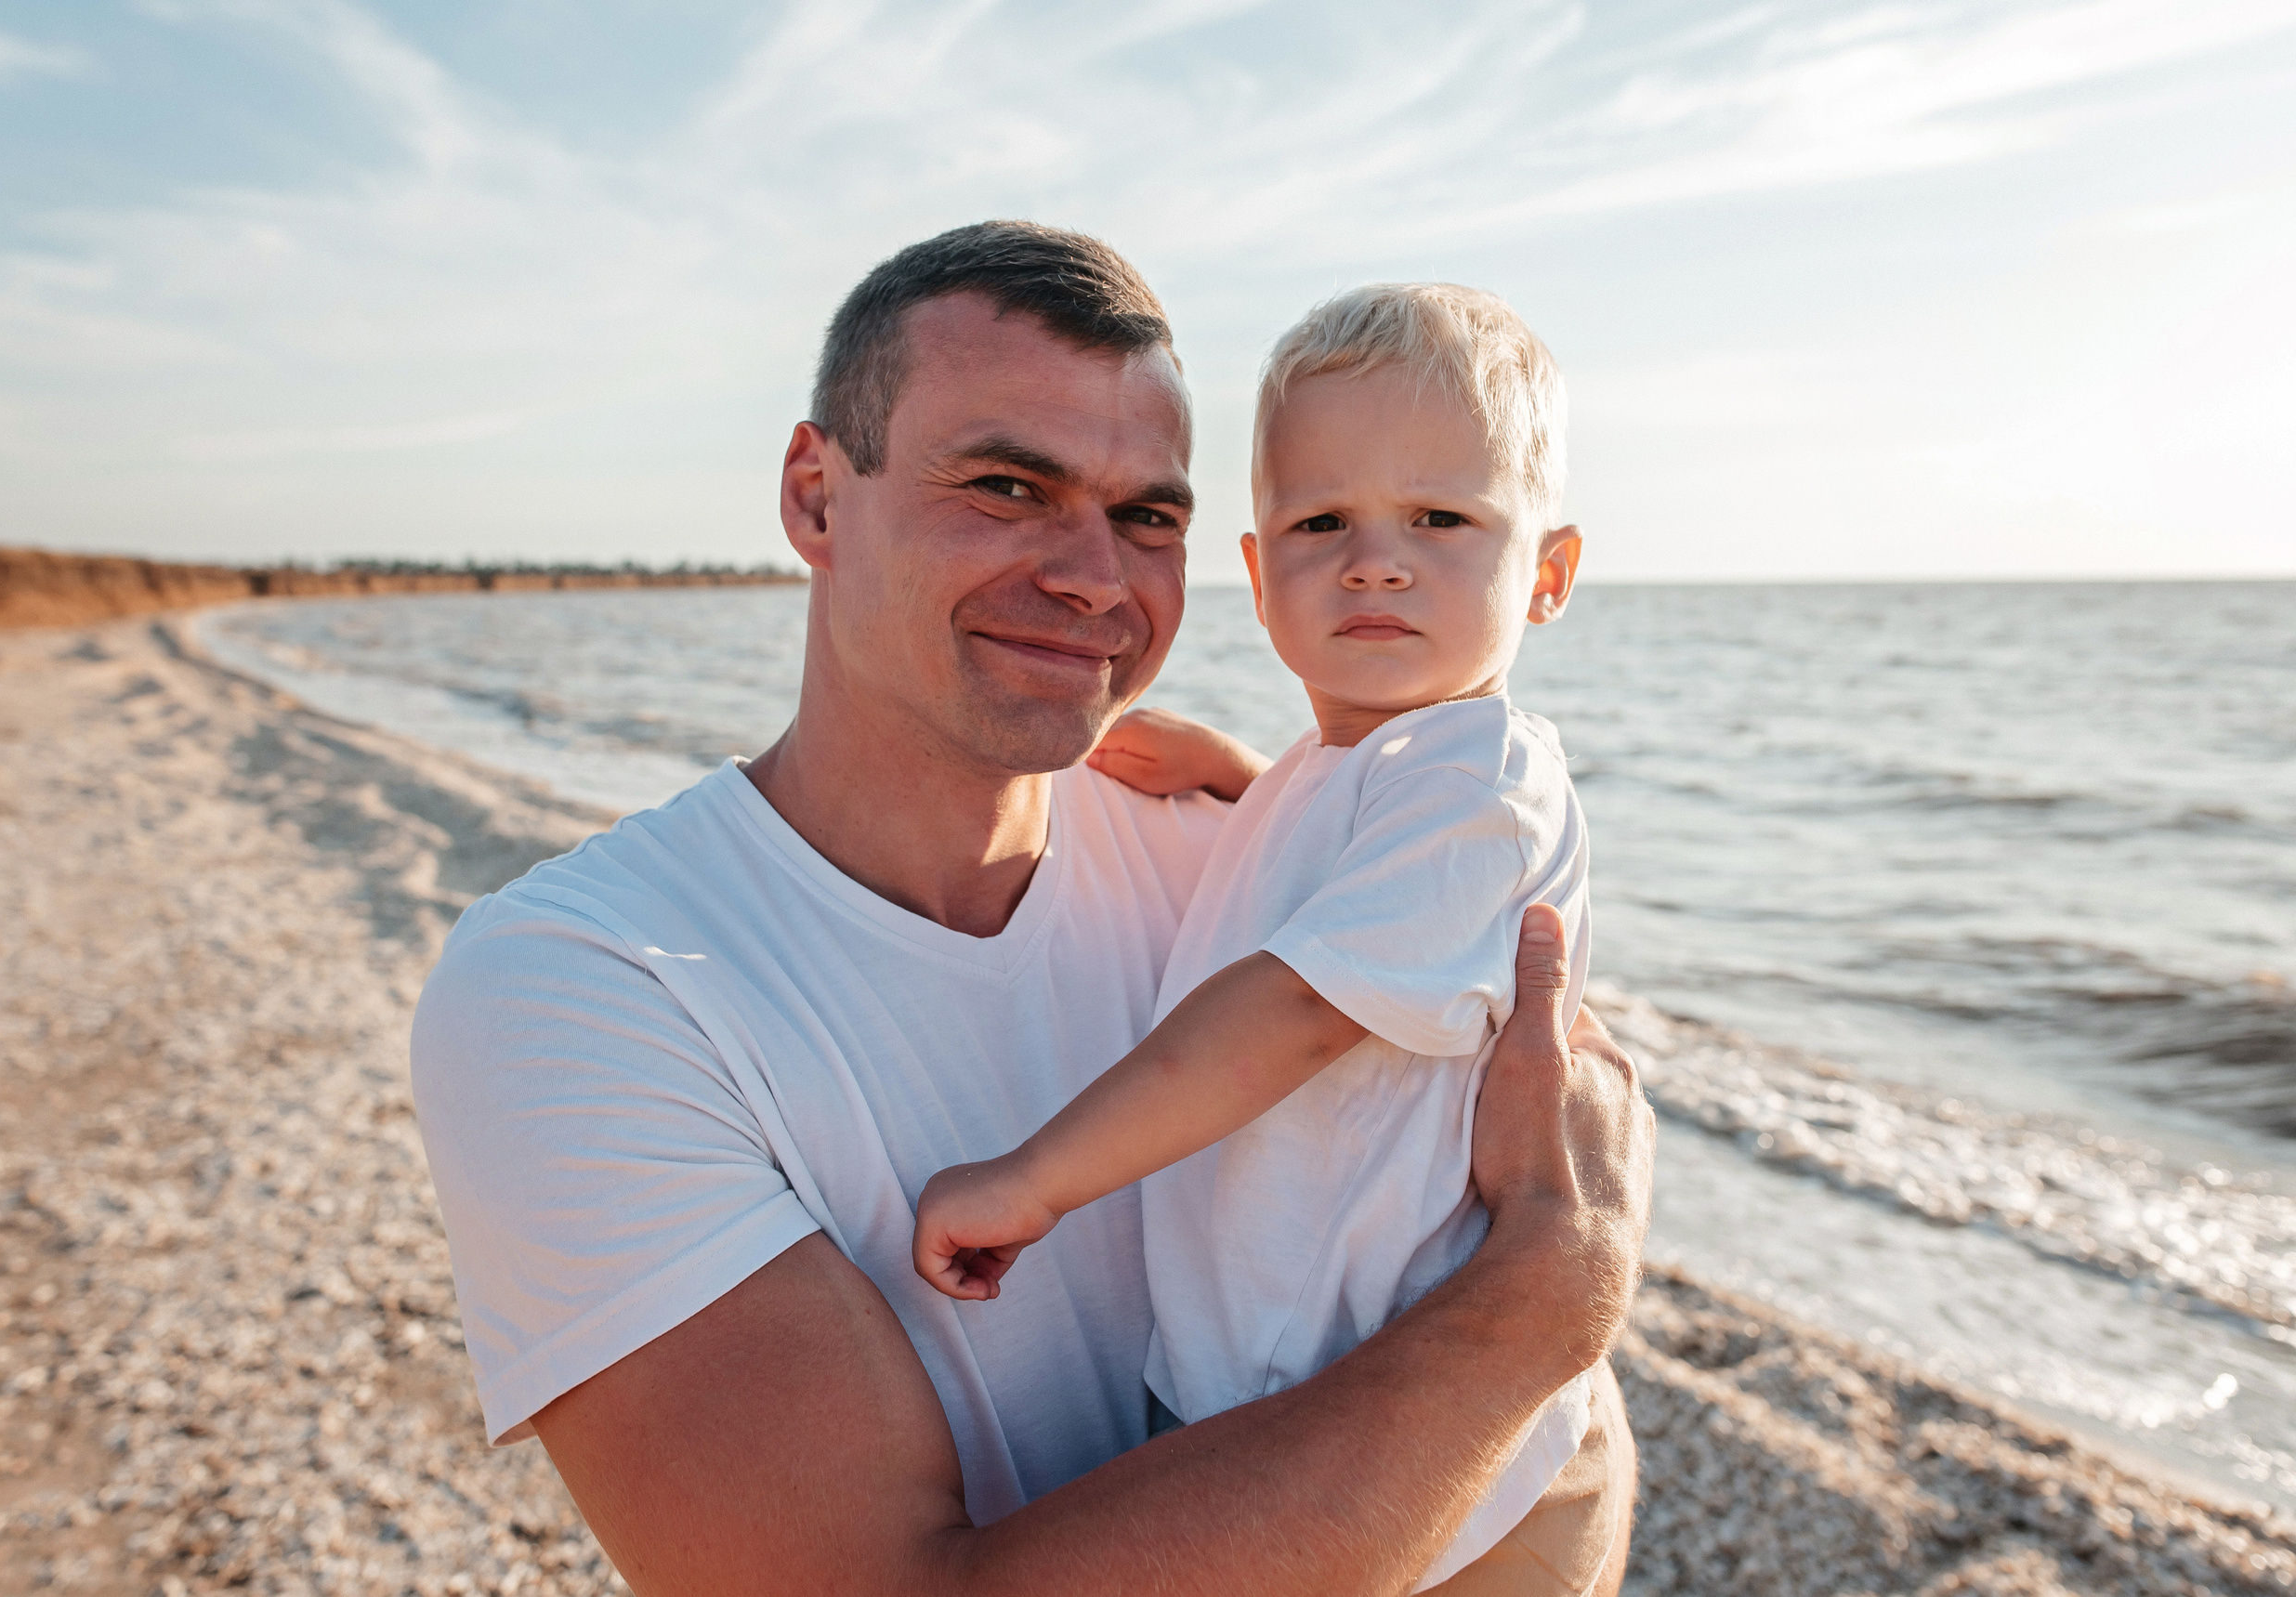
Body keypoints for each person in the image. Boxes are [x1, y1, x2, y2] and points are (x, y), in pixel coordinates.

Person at [411, 220, 1654, 1595]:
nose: (1094, 576)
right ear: (818, 497)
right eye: (1007, 486)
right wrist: (1551, 1298)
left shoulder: (1232, 847)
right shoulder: (587, 986)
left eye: (1148, 517)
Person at [912, 281, 1598, 1592]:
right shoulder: (1353, 768)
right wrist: (1244, 781)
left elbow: (1294, 1009)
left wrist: (1040, 1178)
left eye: (1441, 520)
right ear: (1258, 571)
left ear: (1548, 574)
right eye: (1321, 520)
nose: (1375, 559)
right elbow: (1347, 864)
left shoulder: (1482, 781)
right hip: (1269, 1374)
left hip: (1390, 1429)